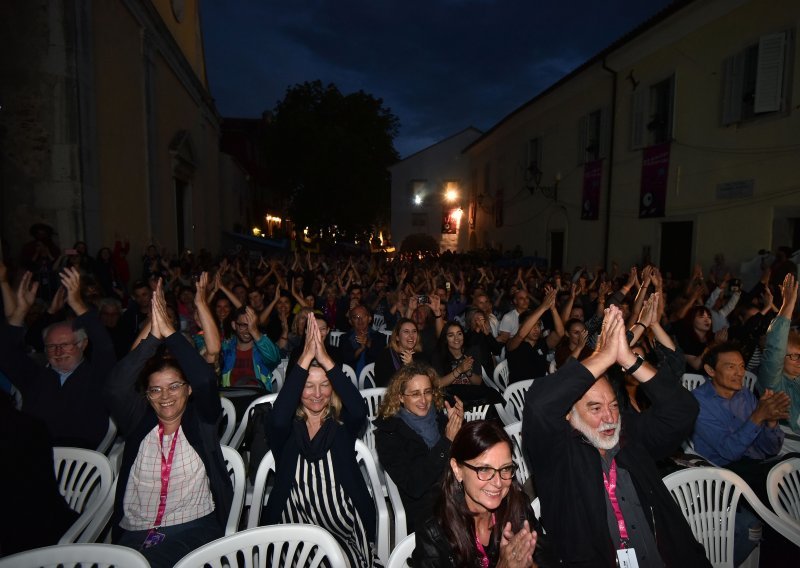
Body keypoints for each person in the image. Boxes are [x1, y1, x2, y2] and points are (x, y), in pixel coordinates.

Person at [523, 305, 711, 566]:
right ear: (568, 414)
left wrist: (628, 360)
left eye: (613, 406)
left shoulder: (630, 437)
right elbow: (538, 404)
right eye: (595, 408)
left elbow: (683, 410)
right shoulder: (557, 454)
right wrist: (604, 355)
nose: (609, 418)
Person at [104, 279, 232, 568]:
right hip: (135, 532)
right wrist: (152, 334)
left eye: (174, 386)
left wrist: (171, 333)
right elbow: (115, 388)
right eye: (156, 389)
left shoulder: (201, 420)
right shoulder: (139, 423)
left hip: (192, 526)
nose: (165, 396)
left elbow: (204, 376)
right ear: (146, 395)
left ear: (188, 389)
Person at [262, 314, 381, 567]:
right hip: (293, 525)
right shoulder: (288, 430)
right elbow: (278, 418)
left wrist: (326, 360)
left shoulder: (339, 427)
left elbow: (359, 410)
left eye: (325, 385)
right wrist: (304, 358)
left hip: (341, 525)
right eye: (307, 386)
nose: (317, 394)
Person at [0, 268, 117, 449]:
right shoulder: (36, 377)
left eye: (65, 345)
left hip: (80, 462)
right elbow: (5, 354)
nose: (58, 351)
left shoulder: (96, 377)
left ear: (82, 344)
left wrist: (78, 304)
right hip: (35, 457)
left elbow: (105, 347)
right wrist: (21, 311)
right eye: (52, 347)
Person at [413, 420, 551, 568]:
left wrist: (529, 563)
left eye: (505, 469)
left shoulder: (517, 505)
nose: (498, 483)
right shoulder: (435, 533)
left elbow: (547, 558)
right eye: (484, 470)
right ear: (457, 469)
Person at [374, 362, 464, 532]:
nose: (423, 400)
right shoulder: (389, 434)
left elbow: (464, 457)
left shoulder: (438, 418)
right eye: (415, 394)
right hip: (428, 510)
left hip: (456, 492)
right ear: (400, 397)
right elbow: (415, 485)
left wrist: (460, 428)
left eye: (427, 392)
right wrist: (447, 442)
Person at [692, 342, 788, 483]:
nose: (740, 372)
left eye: (742, 366)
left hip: (757, 464)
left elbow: (771, 450)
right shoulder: (698, 403)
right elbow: (729, 452)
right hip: (724, 472)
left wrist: (771, 422)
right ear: (711, 370)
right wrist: (758, 416)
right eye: (731, 367)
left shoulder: (745, 395)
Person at [758, 273, 800, 433]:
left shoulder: (797, 377)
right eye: (794, 356)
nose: (799, 361)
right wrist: (787, 305)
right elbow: (775, 350)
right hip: (787, 442)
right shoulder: (772, 381)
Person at [219, 306, 280, 390]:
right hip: (231, 397)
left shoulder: (262, 348)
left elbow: (274, 358)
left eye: (251, 325)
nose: (248, 330)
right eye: (243, 325)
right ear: (234, 325)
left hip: (258, 398)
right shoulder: (226, 348)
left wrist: (255, 331)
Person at [373, 317, 428, 388]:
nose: (411, 336)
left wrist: (412, 365)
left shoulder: (421, 355)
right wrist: (408, 367)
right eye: (406, 331)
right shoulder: (386, 356)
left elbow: (427, 381)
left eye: (414, 331)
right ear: (397, 337)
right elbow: (385, 386)